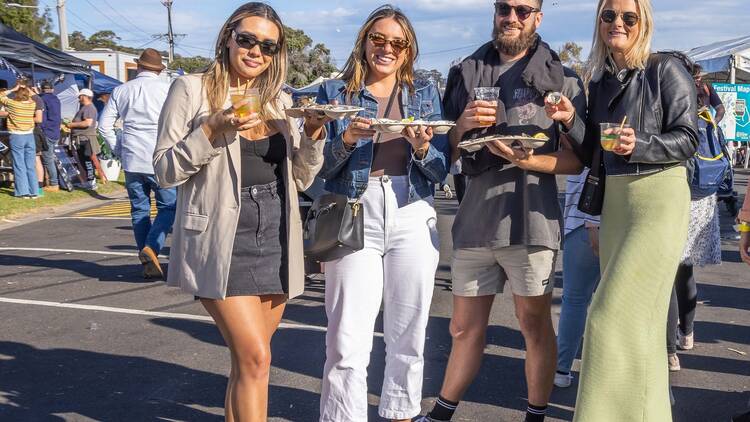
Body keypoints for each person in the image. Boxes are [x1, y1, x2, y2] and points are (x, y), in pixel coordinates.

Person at [153, 3, 325, 420]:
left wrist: (316, 134)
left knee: (249, 365)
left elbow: (301, 178)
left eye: (268, 46)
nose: (255, 52)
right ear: (228, 37)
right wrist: (211, 130)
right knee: (256, 359)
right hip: (221, 236)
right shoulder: (191, 90)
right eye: (246, 40)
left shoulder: (280, 99)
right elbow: (164, 170)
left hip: (277, 232)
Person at [419, 1, 586, 421]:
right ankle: (441, 412)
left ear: (538, 18)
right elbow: (444, 153)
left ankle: (535, 414)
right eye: (504, 8)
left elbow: (579, 159)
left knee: (533, 325)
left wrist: (530, 161)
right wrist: (461, 126)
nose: (512, 17)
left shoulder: (563, 79)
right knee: (461, 328)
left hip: (531, 220)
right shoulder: (464, 72)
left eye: (523, 10)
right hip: (475, 220)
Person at [312, 5, 450, 421]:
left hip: (412, 209)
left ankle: (401, 414)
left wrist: (423, 147)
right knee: (346, 338)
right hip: (354, 208)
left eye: (397, 42)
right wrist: (349, 140)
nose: (386, 48)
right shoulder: (336, 94)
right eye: (378, 39)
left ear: (408, 50)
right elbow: (321, 169)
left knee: (409, 331)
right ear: (364, 42)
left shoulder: (424, 94)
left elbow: (441, 169)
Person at [566, 0, 699, 420]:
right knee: (637, 330)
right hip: (617, 203)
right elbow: (592, 154)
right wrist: (571, 118)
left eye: (628, 17)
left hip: (657, 199)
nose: (617, 24)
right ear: (599, 23)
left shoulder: (664, 69)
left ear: (643, 23)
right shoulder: (599, 81)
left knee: (607, 317)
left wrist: (638, 144)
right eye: (608, 16)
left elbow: (688, 138)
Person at [665, 55, 723, 373]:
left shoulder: (674, 102)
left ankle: (670, 348)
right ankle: (685, 333)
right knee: (683, 270)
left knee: (671, 271)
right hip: (703, 194)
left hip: (681, 194)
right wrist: (713, 115)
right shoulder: (703, 103)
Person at [99, 48, 177, 280]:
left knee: (139, 210)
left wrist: (118, 148)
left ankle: (146, 257)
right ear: (159, 69)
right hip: (160, 156)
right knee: (169, 207)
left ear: (138, 67)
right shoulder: (167, 89)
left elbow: (104, 126)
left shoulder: (121, 90)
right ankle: (151, 248)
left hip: (132, 158)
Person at [553, 167, 600, 389]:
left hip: (584, 219)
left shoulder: (590, 130)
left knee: (575, 299)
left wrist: (592, 220)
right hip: (600, 220)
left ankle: (561, 368)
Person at [0, 83, 42, 198]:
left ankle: (22, 192)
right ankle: (34, 191)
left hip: (17, 136)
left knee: (19, 165)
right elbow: (34, 98)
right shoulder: (32, 104)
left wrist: (14, 88)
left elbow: (1, 95)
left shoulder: (13, 104)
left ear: (16, 94)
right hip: (29, 136)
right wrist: (27, 89)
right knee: (30, 165)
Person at [65, 88, 105, 189]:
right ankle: (88, 180)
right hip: (82, 138)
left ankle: (91, 182)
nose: (79, 98)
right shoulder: (86, 108)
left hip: (86, 138)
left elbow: (87, 123)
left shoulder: (89, 108)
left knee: (87, 160)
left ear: (85, 96)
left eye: (80, 96)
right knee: (84, 159)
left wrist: (72, 124)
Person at [39, 80, 62, 192]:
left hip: (47, 131)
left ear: (42, 89)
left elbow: (42, 119)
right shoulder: (56, 99)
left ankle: (54, 183)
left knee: (47, 159)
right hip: (56, 132)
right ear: (52, 89)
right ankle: (50, 181)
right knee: (50, 157)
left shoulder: (42, 99)